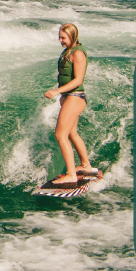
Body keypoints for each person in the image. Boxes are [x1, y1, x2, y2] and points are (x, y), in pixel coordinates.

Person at [44, 23, 97, 189]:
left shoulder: (78, 53)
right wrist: (62, 96)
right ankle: (86, 165)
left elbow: (78, 80)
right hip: (69, 97)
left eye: (63, 38)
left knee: (60, 135)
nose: (60, 40)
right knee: (72, 133)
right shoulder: (67, 51)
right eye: (59, 37)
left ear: (73, 37)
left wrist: (56, 91)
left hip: (75, 97)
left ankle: (71, 175)